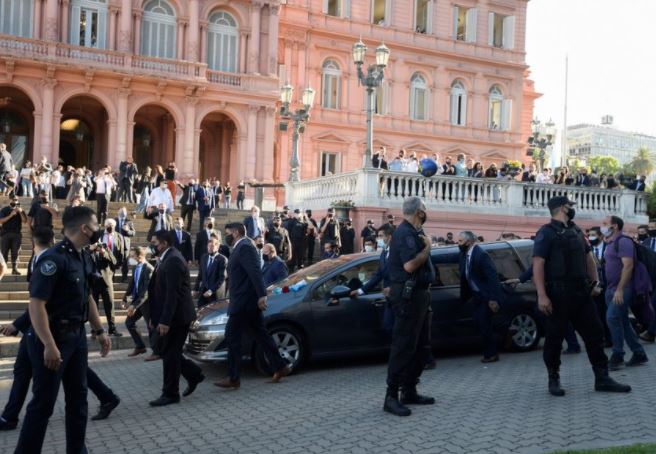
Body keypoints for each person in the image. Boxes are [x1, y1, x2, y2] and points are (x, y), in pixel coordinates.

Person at [14, 206, 111, 453]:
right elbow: (36, 304)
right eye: (96, 225)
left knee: (78, 401)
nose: (98, 230)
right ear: (85, 228)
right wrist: (48, 344)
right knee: (43, 405)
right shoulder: (53, 259)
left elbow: (86, 295)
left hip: (76, 337)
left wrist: (99, 330)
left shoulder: (83, 256)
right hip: (52, 338)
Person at [532, 196, 631, 397]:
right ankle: (554, 379)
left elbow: (589, 258)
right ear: (561, 208)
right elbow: (538, 264)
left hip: (580, 293)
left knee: (595, 334)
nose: (572, 208)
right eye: (569, 206)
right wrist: (542, 295)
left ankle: (602, 378)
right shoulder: (546, 233)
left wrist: (594, 283)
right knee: (554, 339)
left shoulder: (576, 230)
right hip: (557, 294)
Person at [215, 223, 291, 388]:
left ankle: (234, 377)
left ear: (235, 232)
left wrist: (262, 295)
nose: (226, 236)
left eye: (227, 233)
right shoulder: (241, 246)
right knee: (261, 335)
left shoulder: (245, 247)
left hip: (244, 302)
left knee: (232, 336)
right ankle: (281, 366)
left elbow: (255, 272)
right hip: (244, 300)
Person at [383, 197, 435, 417]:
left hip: (420, 295)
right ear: (419, 212)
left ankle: (410, 390)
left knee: (421, 346)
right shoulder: (404, 233)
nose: (427, 211)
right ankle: (391, 396)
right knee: (403, 346)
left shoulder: (415, 232)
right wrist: (428, 248)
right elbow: (410, 264)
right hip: (408, 296)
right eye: (425, 208)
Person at [148, 229, 205, 406]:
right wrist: (155, 317)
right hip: (171, 315)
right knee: (169, 352)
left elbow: (172, 295)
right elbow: (159, 290)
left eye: (155, 243)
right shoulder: (166, 257)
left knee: (170, 354)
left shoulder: (173, 260)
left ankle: (171, 393)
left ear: (164, 243)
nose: (152, 246)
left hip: (177, 317)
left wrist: (164, 320)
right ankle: (194, 374)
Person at [600, 215, 649, 370]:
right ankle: (638, 353)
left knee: (612, 317)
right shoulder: (610, 243)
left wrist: (620, 289)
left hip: (623, 289)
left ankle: (618, 355)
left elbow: (628, 266)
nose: (602, 226)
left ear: (614, 226)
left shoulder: (624, 242)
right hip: (611, 289)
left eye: (605, 223)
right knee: (623, 322)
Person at [458, 231, 503, 363]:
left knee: (484, 324)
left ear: (469, 242)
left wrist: (493, 298)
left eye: (460, 241)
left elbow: (492, 277)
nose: (458, 244)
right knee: (478, 323)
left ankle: (491, 354)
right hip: (476, 296)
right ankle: (489, 352)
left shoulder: (481, 255)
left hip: (486, 296)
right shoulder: (464, 254)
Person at [350, 224, 395, 331]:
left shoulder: (398, 252)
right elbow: (378, 275)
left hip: (399, 299)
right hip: (390, 300)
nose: (378, 239)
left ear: (389, 237)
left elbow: (404, 275)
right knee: (388, 327)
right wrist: (360, 291)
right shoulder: (384, 253)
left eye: (380, 236)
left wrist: (394, 288)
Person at [124, 247, 155, 357]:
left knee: (151, 326)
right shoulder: (135, 267)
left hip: (147, 302)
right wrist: (126, 299)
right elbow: (132, 284)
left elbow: (145, 291)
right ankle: (140, 346)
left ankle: (156, 351)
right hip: (137, 301)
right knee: (129, 323)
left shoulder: (149, 269)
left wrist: (134, 306)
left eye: (132, 256)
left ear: (139, 256)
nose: (131, 258)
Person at [194, 235, 227, 307]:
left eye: (212, 246)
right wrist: (195, 289)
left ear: (217, 247)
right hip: (203, 291)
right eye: (208, 246)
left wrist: (211, 290)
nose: (210, 248)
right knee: (200, 312)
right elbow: (200, 275)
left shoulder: (222, 259)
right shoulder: (204, 257)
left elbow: (222, 278)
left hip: (215, 293)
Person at [0, 195, 27, 275]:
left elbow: (25, 221)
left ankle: (14, 269)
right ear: (10, 200)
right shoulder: (4, 210)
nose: (15, 201)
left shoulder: (20, 210)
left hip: (16, 234)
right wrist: (11, 215)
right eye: (14, 199)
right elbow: (1, 221)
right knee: (4, 252)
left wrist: (20, 212)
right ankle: (2, 269)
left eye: (17, 200)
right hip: (5, 234)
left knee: (16, 252)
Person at [115, 207, 135, 282]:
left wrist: (128, 230)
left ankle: (125, 277)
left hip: (125, 244)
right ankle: (112, 276)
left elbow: (133, 233)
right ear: (118, 212)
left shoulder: (129, 221)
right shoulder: (114, 220)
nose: (123, 212)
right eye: (121, 211)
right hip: (116, 243)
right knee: (114, 259)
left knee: (125, 261)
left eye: (124, 211)